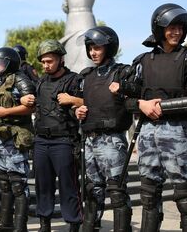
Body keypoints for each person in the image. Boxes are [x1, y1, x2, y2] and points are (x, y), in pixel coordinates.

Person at [126, 3, 187, 232]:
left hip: (176, 131)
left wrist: (163, 107)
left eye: (180, 27)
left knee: (184, 194)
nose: (176, 32)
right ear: (159, 29)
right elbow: (124, 99)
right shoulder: (142, 61)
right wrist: (141, 104)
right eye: (170, 27)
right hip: (146, 132)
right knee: (148, 194)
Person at [74, 27, 135, 232]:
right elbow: (81, 103)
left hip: (112, 140)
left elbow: (139, 93)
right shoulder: (86, 76)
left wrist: (124, 88)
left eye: (97, 47)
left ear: (108, 48)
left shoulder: (123, 71)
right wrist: (79, 110)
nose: (93, 52)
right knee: (92, 190)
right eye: (90, 48)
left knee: (117, 191)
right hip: (89, 139)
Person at [22, 40, 84, 232]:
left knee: (69, 186)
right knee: (43, 185)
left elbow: (93, 100)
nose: (46, 65)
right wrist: (24, 99)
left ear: (61, 59)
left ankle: (74, 224)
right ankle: (44, 223)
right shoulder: (40, 82)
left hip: (64, 140)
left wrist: (72, 99)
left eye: (50, 61)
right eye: (43, 62)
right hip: (41, 141)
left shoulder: (74, 80)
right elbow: (30, 104)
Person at [0, 47, 35, 232]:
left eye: (1, 62)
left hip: (14, 138)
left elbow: (30, 106)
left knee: (18, 184)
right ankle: (5, 224)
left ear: (10, 62)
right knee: (4, 183)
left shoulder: (20, 79)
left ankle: (20, 227)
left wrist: (7, 112)